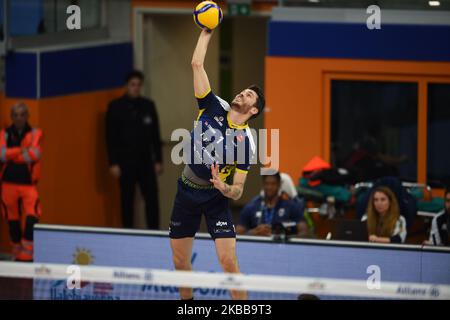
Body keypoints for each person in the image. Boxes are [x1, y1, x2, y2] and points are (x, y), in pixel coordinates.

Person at [169, 29, 265, 300]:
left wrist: (225, 188)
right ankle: (188, 306)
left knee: (228, 262)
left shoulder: (247, 143)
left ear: (253, 110)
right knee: (179, 262)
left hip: (215, 198)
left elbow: (239, 191)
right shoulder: (212, 106)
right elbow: (196, 64)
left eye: (248, 96)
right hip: (186, 190)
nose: (242, 94)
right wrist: (206, 30)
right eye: (243, 91)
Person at [106, 70, 163, 230]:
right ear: (126, 86)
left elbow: (155, 136)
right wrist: (113, 162)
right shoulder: (115, 107)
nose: (136, 88)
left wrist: (158, 160)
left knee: (152, 198)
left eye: (138, 85)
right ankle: (128, 231)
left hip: (146, 162)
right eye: (133, 85)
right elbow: (110, 137)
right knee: (127, 199)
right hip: (125, 162)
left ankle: (154, 231)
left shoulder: (148, 106)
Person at [0, 103, 43, 262]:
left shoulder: (35, 133)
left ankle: (28, 251)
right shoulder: (4, 134)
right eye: (16, 115)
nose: (19, 118)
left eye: (22, 114)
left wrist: (12, 154)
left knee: (33, 216)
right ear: (11, 117)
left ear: (27, 116)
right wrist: (20, 150)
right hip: (7, 184)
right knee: (12, 219)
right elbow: (1, 155)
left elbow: (34, 155)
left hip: (28, 184)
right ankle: (16, 250)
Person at [236, 173, 308, 238]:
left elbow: (304, 232)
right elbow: (238, 234)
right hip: (257, 248)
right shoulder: (251, 207)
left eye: (273, 184)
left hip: (282, 248)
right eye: (267, 184)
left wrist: (285, 237)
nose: (269, 187)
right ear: (263, 185)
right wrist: (253, 232)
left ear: (279, 185)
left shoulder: (291, 206)